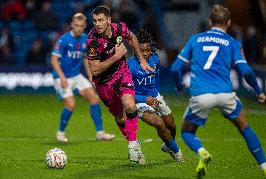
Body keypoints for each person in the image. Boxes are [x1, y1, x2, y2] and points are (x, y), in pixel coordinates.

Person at [171, 5, 266, 179]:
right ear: (228, 23)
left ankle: (202, 152)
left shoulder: (196, 39)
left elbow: (175, 68)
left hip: (201, 95)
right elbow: (247, 72)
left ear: (210, 22)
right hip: (225, 94)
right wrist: (259, 91)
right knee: (245, 128)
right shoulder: (233, 43)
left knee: (187, 132)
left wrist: (179, 85)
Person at [87, 6, 154, 165]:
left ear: (109, 20)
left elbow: (132, 37)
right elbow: (95, 70)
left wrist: (142, 60)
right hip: (103, 83)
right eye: (95, 21)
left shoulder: (120, 28)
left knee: (130, 105)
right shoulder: (93, 41)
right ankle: (135, 142)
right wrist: (117, 56)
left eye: (101, 20)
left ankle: (131, 145)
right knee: (119, 117)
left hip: (122, 74)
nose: (97, 24)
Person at [50, 13, 115, 143]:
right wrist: (62, 78)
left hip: (76, 75)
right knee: (71, 104)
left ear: (84, 26)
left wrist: (91, 77)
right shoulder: (64, 40)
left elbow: (86, 58)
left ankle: (100, 133)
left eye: (81, 26)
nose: (78, 28)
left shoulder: (86, 39)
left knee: (94, 99)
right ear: (72, 25)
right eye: (76, 26)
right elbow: (54, 60)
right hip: (61, 76)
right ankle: (60, 133)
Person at [128, 30, 184, 162]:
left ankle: (168, 145)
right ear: (136, 48)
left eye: (148, 50)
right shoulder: (131, 66)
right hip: (139, 100)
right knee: (159, 123)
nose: (145, 53)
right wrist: (144, 99)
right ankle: (176, 151)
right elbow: (126, 92)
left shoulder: (155, 59)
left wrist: (156, 96)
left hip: (155, 96)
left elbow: (155, 79)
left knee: (171, 126)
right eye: (142, 50)